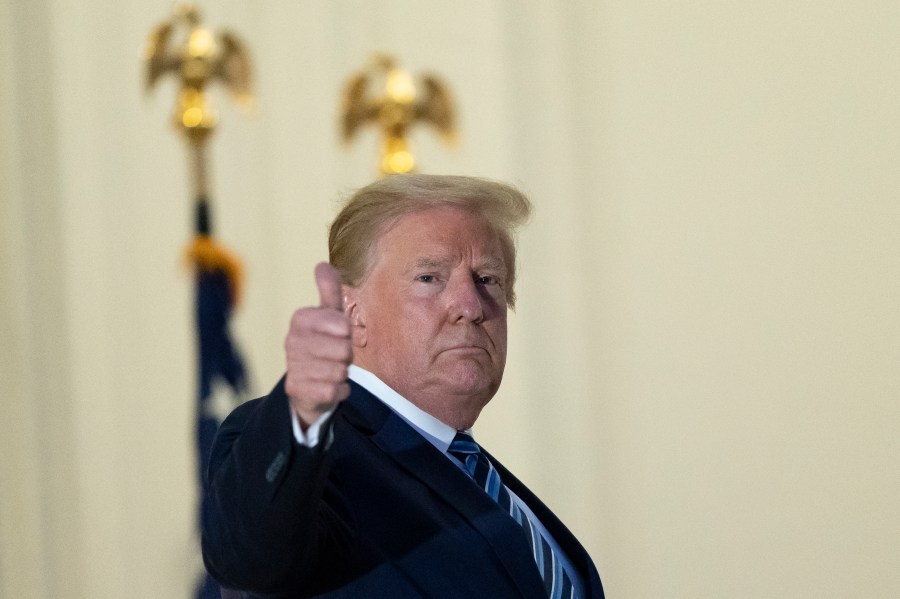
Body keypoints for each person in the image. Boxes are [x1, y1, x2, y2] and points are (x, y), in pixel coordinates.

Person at [201, 174, 605, 598]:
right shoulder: (321, 452)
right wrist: (299, 415)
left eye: (487, 279)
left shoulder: (476, 475)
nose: (470, 306)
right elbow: (248, 559)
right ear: (351, 311)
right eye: (430, 278)